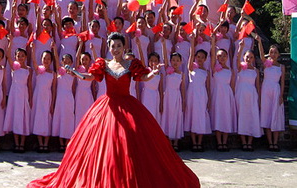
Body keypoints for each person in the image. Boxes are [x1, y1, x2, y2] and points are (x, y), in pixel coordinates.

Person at [27, 32, 200, 188]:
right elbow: (91, 77)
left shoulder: (131, 64)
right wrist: (76, 74)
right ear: (109, 48)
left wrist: (153, 73)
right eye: (112, 46)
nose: (115, 49)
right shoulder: (104, 63)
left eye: (119, 46)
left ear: (124, 47)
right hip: (107, 108)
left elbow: (143, 78)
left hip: (128, 107)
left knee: (131, 143)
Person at [258, 40, 285, 151]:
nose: (273, 54)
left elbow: (282, 82)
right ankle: (270, 143)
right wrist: (259, 42)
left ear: (278, 54)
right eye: (271, 52)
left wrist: (281, 95)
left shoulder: (281, 67)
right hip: (266, 90)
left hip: (276, 90)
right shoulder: (266, 64)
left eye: (275, 52)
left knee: (276, 115)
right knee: (267, 115)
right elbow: (261, 56)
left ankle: (276, 142)